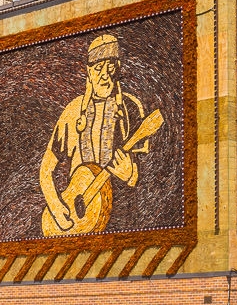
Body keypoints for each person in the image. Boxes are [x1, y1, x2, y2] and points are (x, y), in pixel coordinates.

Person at [39, 34, 158, 235]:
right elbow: (46, 169)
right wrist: (56, 207)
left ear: (117, 68)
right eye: (98, 68)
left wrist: (131, 174)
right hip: (76, 223)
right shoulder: (73, 111)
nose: (105, 75)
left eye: (110, 67)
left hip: (119, 226)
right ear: (88, 72)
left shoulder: (131, 108)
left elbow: (152, 178)